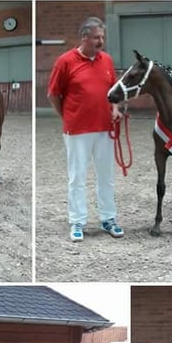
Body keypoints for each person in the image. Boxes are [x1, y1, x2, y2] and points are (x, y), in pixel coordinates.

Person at [47, 17, 124, 242]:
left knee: (106, 176)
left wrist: (116, 108)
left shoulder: (107, 60)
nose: (101, 41)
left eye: (102, 37)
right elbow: (53, 94)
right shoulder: (65, 61)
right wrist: (67, 116)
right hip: (77, 130)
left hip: (105, 128)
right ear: (84, 37)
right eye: (96, 37)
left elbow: (114, 92)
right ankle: (77, 221)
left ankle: (108, 218)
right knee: (77, 177)